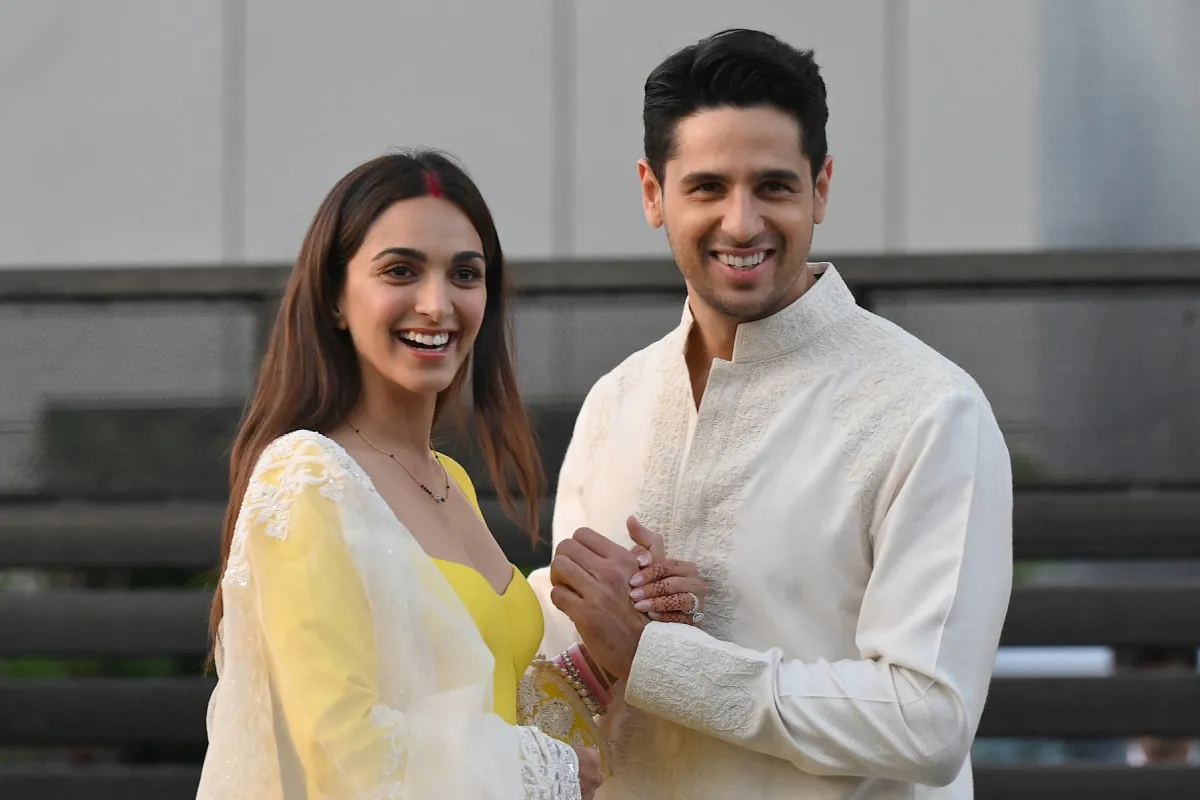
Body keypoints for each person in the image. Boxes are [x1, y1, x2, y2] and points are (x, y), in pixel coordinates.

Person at [527, 29, 1014, 799]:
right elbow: (565, 684)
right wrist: (601, 644)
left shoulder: (928, 410)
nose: (743, 222)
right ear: (654, 193)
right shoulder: (614, 403)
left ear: (821, 187)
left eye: (775, 187)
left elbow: (930, 722)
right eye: (708, 187)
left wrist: (656, 657)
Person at [198, 150, 622, 799]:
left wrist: (609, 652)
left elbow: (487, 712)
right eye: (401, 270)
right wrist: (549, 771)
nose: (436, 303)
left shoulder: (447, 480)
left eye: (465, 274)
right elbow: (340, 746)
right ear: (336, 297)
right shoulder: (309, 479)